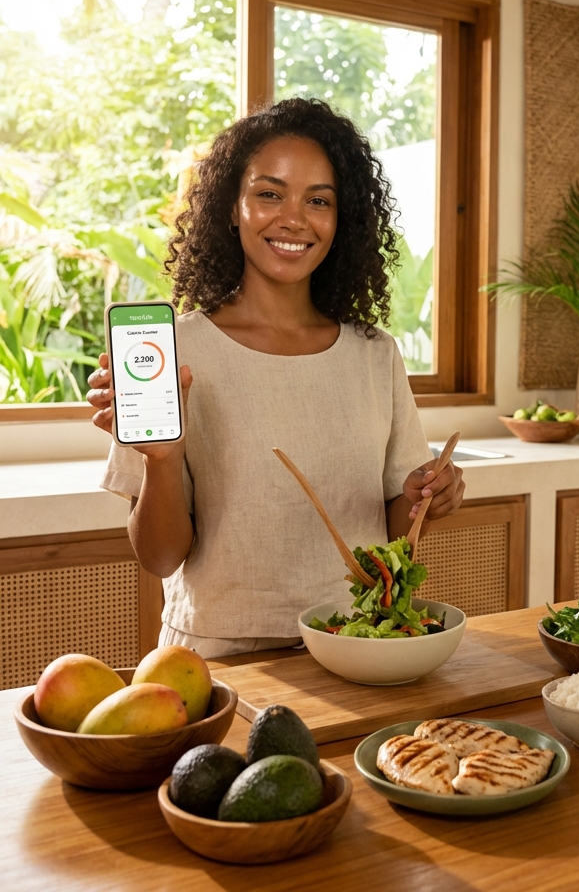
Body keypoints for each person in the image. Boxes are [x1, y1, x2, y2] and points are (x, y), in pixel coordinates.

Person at [87, 98, 464, 658]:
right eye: (269, 194)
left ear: (342, 221)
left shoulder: (374, 354)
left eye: (319, 200)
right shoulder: (177, 351)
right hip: (217, 660)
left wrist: (423, 501)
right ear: (232, 207)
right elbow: (160, 558)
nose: (294, 217)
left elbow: (392, 532)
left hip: (357, 643)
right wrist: (159, 462)